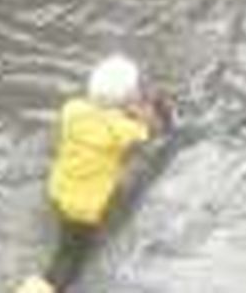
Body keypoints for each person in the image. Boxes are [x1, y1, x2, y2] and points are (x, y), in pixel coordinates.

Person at [14, 56, 167, 293]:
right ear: (127, 100)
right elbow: (155, 130)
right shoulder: (124, 131)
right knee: (68, 262)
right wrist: (149, 109)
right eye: (137, 91)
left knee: (63, 227)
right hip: (83, 209)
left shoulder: (72, 109)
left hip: (59, 187)